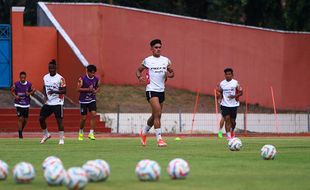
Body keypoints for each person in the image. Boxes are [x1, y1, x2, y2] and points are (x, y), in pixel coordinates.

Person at [136, 39, 175, 147]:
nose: (158, 49)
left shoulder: (166, 60)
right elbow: (138, 70)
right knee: (157, 113)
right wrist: (140, 77)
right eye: (156, 47)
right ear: (152, 49)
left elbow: (171, 72)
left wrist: (170, 74)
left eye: (159, 47)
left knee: (155, 115)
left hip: (161, 91)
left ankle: (143, 133)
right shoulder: (147, 60)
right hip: (151, 90)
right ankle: (159, 140)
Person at [39, 59, 66, 145]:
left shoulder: (60, 78)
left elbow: (64, 91)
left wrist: (54, 91)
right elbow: (44, 87)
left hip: (58, 102)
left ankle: (61, 139)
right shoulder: (45, 77)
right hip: (49, 102)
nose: (51, 70)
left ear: (56, 68)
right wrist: (45, 95)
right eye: (49, 68)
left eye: (53, 68)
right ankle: (46, 134)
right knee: (41, 118)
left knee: (59, 120)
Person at [217, 68, 242, 140]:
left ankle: (232, 131)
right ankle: (228, 137)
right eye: (226, 74)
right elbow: (219, 91)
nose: (228, 75)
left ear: (232, 75)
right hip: (224, 104)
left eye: (229, 74)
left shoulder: (235, 83)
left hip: (234, 105)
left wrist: (234, 96)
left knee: (233, 122)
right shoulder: (222, 83)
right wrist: (219, 97)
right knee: (227, 119)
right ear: (224, 75)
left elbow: (241, 92)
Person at [77, 64, 100, 141]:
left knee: (94, 114)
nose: (93, 74)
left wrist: (95, 91)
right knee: (84, 118)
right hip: (83, 101)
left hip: (92, 99)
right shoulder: (82, 78)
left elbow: (98, 87)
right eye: (91, 73)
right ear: (87, 72)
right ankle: (80, 132)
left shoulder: (96, 79)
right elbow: (78, 89)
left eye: (94, 73)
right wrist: (88, 89)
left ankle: (91, 133)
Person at [10, 71, 35, 139]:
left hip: (26, 104)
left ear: (25, 77)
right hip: (19, 104)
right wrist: (15, 96)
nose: (23, 79)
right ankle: (20, 135)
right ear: (19, 77)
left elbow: (34, 91)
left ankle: (20, 130)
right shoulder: (16, 84)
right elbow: (11, 90)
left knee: (25, 120)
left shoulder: (29, 84)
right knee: (20, 119)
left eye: (24, 78)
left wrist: (29, 93)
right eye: (21, 78)